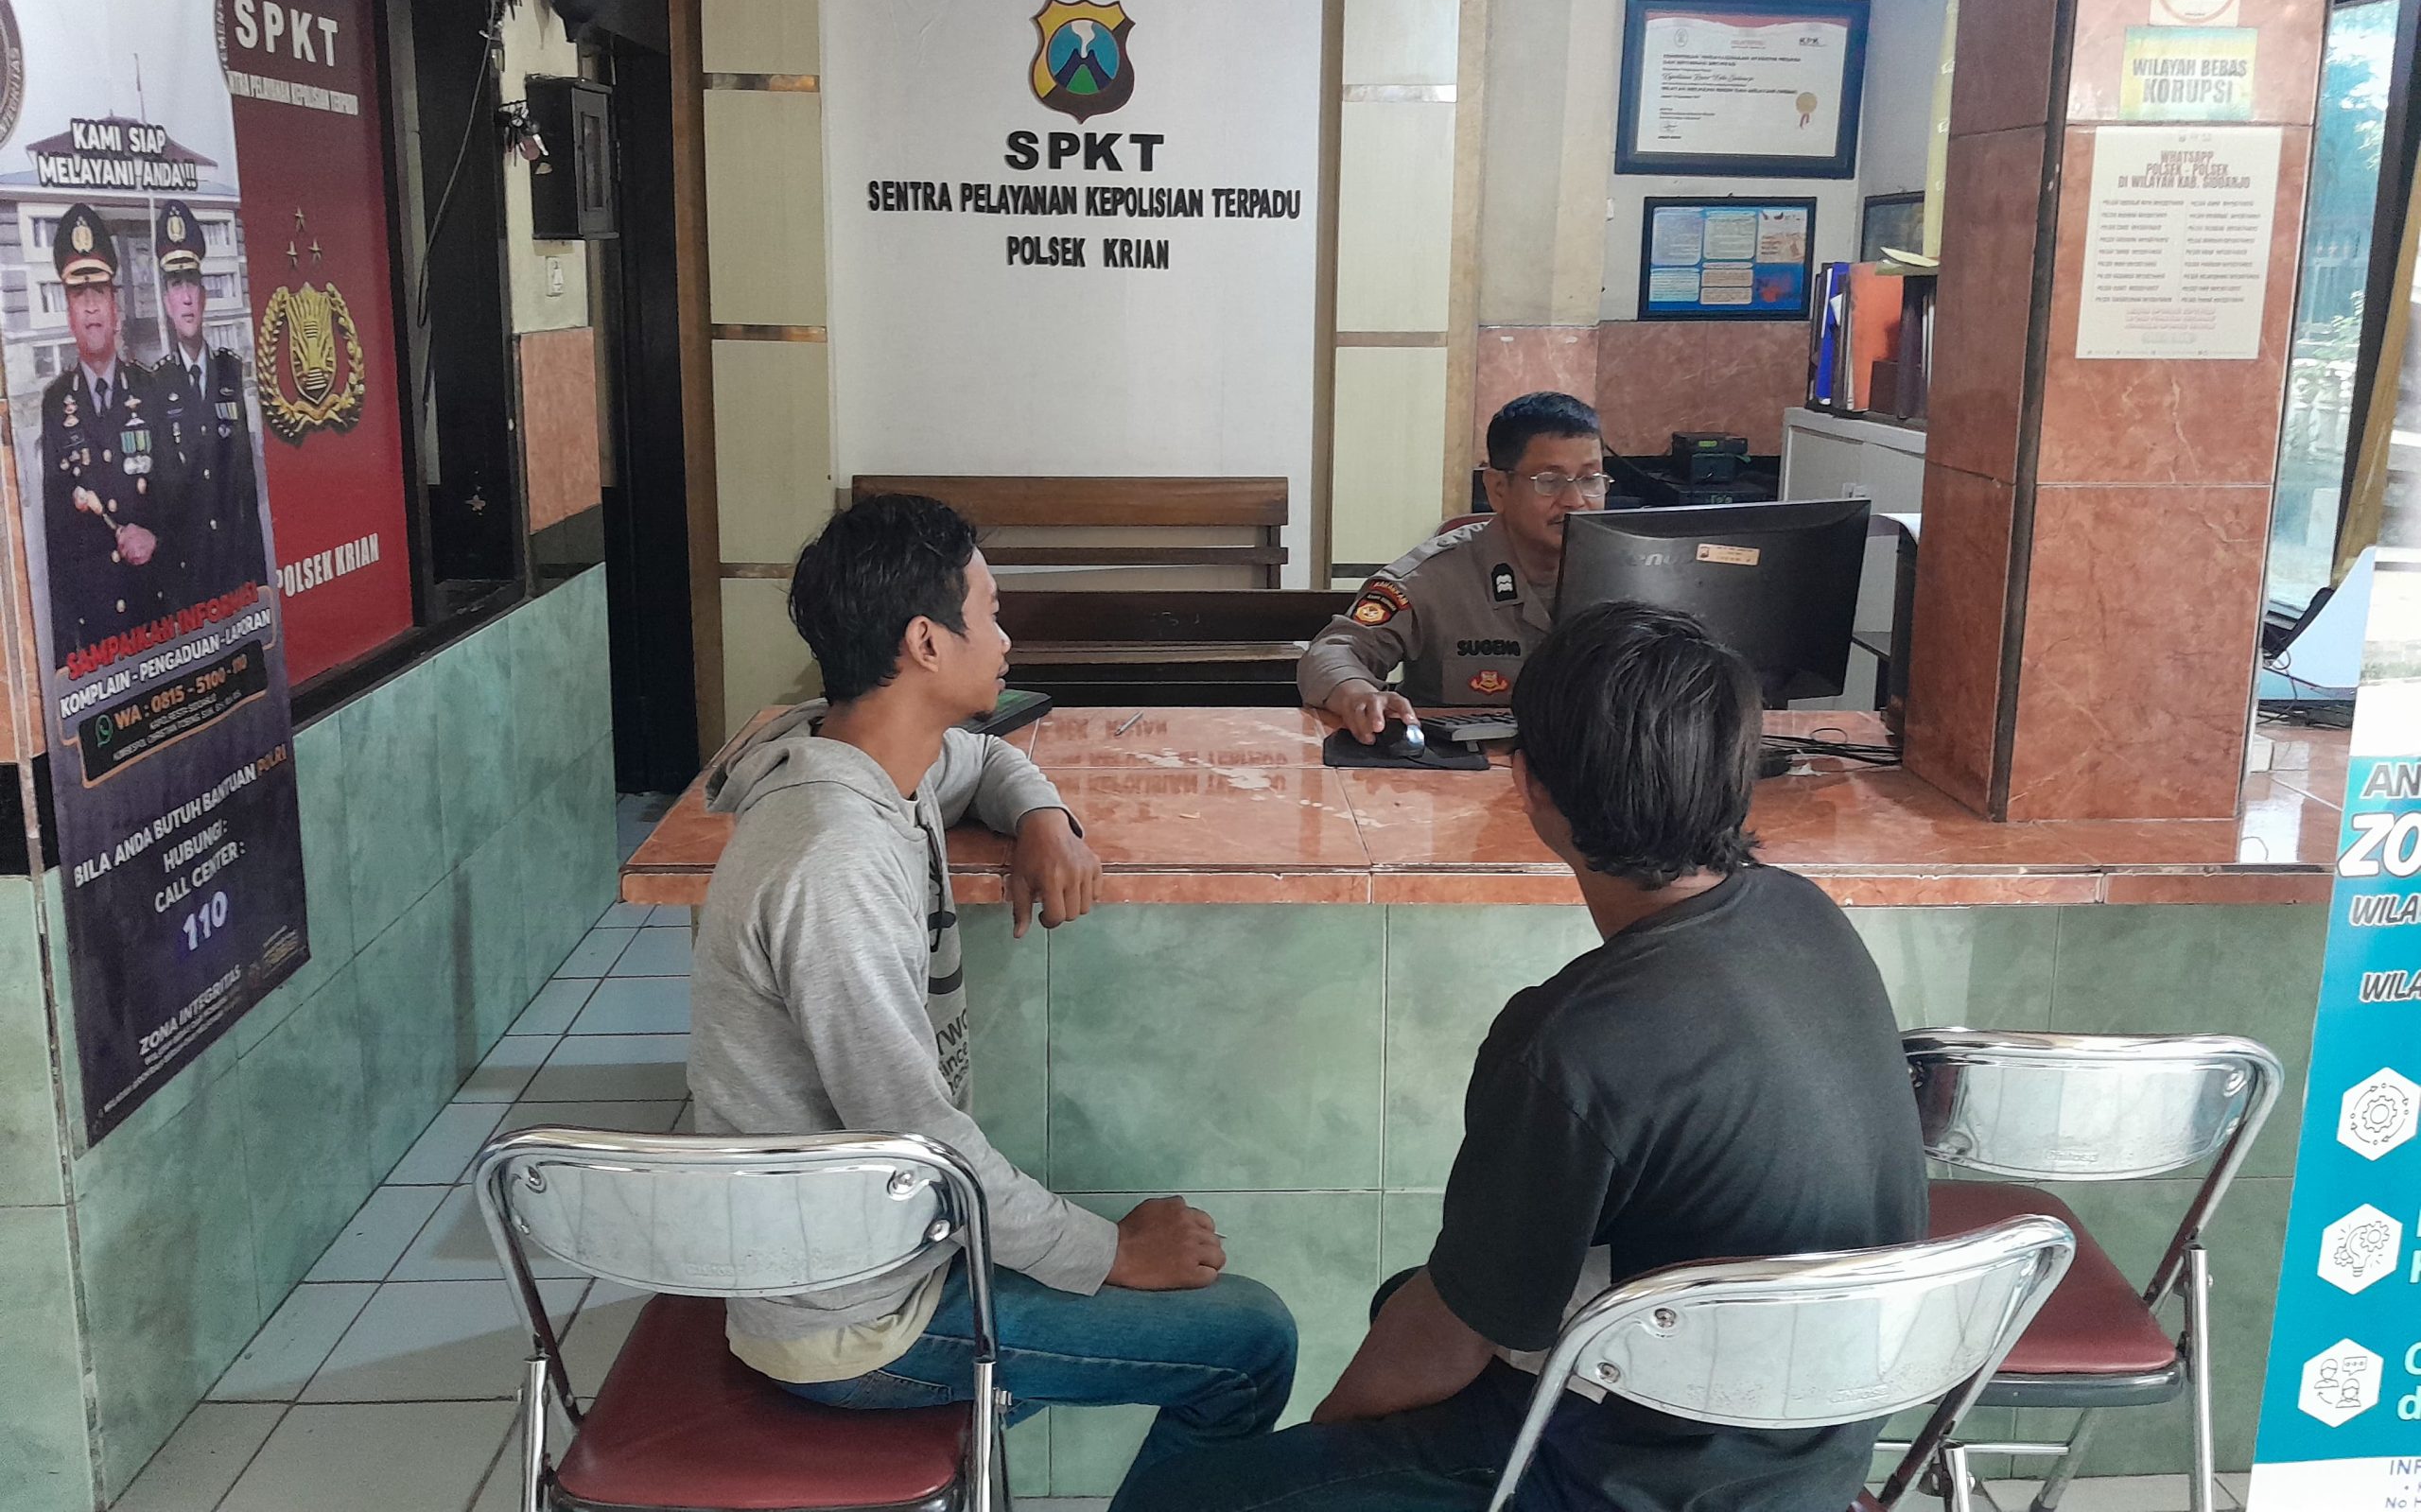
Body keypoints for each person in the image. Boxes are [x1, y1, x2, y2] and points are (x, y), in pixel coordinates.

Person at [1136, 602, 1927, 1512]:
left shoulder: (1570, 1046)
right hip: (1819, 1447)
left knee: (1192, 1497)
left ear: (1530, 784)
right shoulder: (1805, 913)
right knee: (1409, 1298)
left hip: (1639, 1473)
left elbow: (1446, 1342)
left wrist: (1327, 1449)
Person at [689, 494, 1298, 1498]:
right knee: (1251, 1342)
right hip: (853, 1323)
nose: (1008, 638)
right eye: (993, 611)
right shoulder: (832, 862)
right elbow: (918, 1139)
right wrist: (1108, 1254)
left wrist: (1043, 818)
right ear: (926, 642)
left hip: (895, 1253)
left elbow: (985, 759)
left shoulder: (869, 761)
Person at [1299, 391, 1606, 738]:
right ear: (1498, 488)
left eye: (1590, 479)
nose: (1575, 501)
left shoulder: (1634, 570)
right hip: (1464, 764)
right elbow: (1333, 652)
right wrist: (1358, 695)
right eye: (1549, 482)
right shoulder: (1432, 578)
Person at [40, 202, 169, 662]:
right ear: (69, 314)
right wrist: (67, 655)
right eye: (79, 294)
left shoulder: (152, 390)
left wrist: (157, 538)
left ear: (116, 309)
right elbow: (55, 538)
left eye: (99, 291)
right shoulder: (55, 405)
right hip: (96, 634)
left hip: (158, 615)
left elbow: (184, 498)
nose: (91, 304)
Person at [148, 199, 266, 607]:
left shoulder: (231, 372)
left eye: (192, 284)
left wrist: (259, 579)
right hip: (189, 579)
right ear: (166, 301)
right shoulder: (155, 386)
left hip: (237, 568)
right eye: (175, 285)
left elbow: (247, 485)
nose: (186, 298)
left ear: (204, 295)